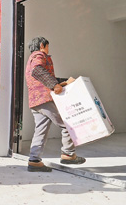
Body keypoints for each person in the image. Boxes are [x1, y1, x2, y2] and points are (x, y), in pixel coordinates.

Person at [25, 37, 86, 172]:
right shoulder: (39, 55)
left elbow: (42, 75)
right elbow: (38, 71)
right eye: (47, 46)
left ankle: (34, 160)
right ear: (42, 45)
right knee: (68, 124)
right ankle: (68, 154)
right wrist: (54, 85)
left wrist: (63, 82)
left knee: (40, 130)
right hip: (45, 100)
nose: (48, 49)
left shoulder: (31, 59)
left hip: (36, 101)